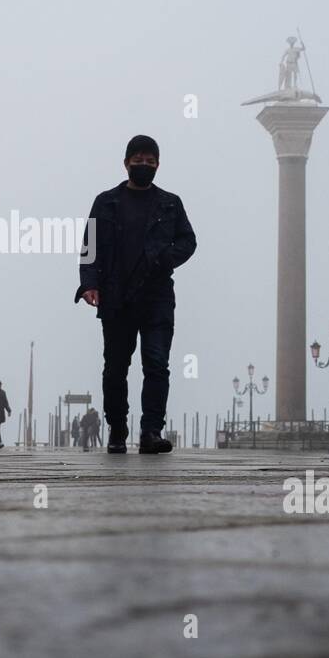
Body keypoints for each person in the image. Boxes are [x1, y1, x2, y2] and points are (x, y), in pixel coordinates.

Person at [75, 135, 196, 455]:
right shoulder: (106, 202)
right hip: (116, 297)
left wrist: (164, 259)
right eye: (138, 160)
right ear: (126, 162)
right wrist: (89, 284)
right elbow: (89, 248)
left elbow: (188, 241)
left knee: (156, 364)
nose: (144, 165)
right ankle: (117, 428)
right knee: (115, 367)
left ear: (158, 164)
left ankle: (151, 431)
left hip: (156, 296)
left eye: (150, 161)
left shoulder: (170, 203)